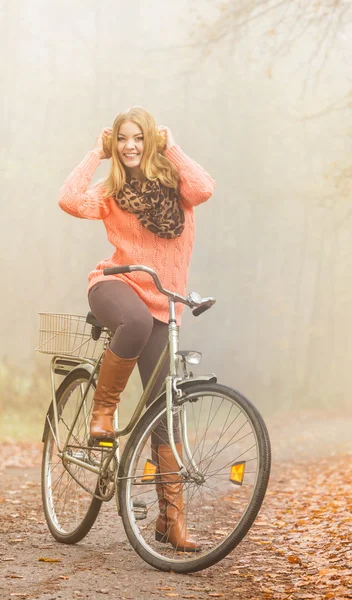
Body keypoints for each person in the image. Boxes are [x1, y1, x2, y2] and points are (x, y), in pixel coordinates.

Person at [58, 106, 215, 551]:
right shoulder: (111, 192)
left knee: (165, 409)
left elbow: (204, 187)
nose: (129, 146)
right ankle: (102, 413)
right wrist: (95, 153)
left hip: (165, 303)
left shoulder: (178, 190)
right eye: (122, 139)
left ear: (151, 142)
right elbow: (69, 199)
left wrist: (172, 144)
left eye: (138, 138)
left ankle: (171, 520)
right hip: (114, 286)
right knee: (136, 321)